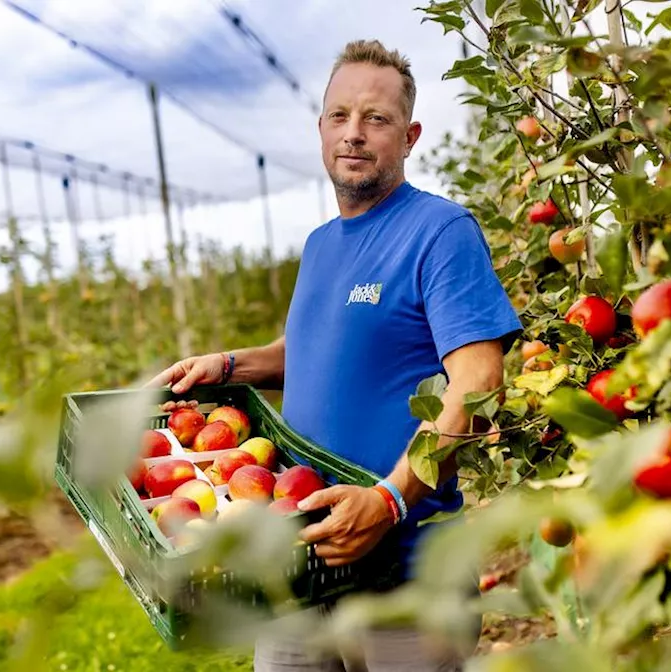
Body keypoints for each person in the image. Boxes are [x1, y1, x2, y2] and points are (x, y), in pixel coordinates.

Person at [147, 39, 522, 671]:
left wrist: (390, 500)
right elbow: (308, 353)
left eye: (376, 118)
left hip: (404, 577)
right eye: (339, 116)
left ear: (410, 136)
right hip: (301, 563)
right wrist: (230, 366)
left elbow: (478, 382)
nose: (354, 133)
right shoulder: (322, 246)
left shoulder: (440, 232)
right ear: (320, 128)